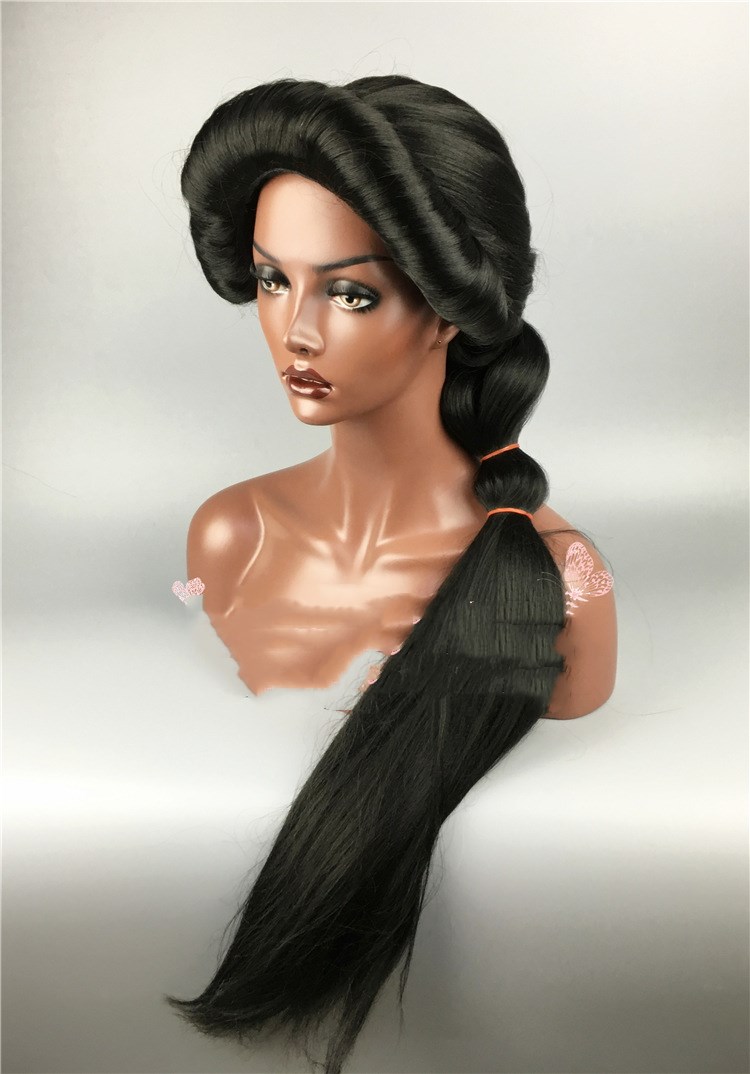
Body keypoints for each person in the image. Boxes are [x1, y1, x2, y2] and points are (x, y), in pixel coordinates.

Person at [165, 75, 617, 1074]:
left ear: (450, 312)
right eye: (271, 279)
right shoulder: (228, 537)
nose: (296, 330)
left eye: (351, 292)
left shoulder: (560, 576)